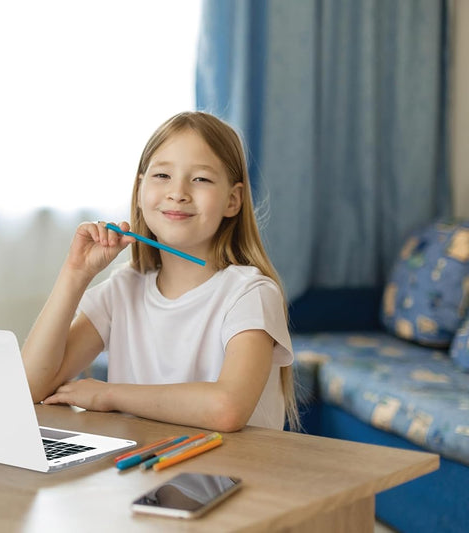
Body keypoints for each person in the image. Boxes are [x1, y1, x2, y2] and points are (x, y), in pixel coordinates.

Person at [21, 111, 298, 432]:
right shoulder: (122, 290)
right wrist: (75, 273)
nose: (177, 192)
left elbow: (227, 408)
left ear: (232, 201)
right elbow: (29, 387)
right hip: (142, 476)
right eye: (162, 176)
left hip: (232, 479)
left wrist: (109, 394)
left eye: (201, 179)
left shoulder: (251, 294)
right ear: (140, 191)